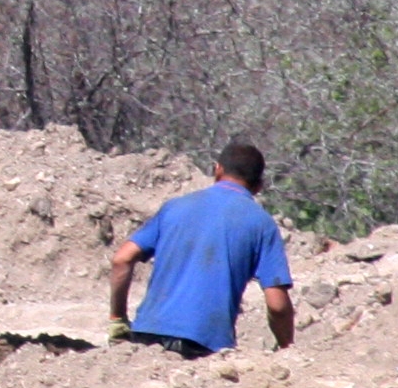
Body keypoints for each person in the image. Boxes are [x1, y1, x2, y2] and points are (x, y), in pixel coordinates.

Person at [108, 140, 297, 356]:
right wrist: (286, 349)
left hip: (147, 336)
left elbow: (121, 259)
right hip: (205, 346)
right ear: (258, 186)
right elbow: (278, 305)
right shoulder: (262, 224)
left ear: (217, 169)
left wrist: (118, 320)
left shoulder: (175, 207)